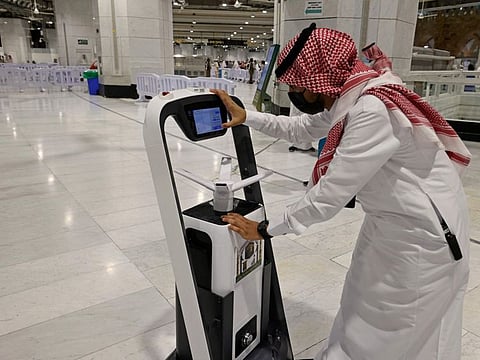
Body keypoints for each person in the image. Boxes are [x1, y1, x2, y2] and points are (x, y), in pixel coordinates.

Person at [212, 24, 471, 360]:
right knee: (362, 302)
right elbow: (303, 128)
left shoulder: (371, 109)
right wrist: (248, 117)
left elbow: (329, 195)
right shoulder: (355, 93)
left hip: (421, 237)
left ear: (316, 80)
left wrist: (265, 229)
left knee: (395, 323)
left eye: (297, 85)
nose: (295, 92)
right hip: (393, 222)